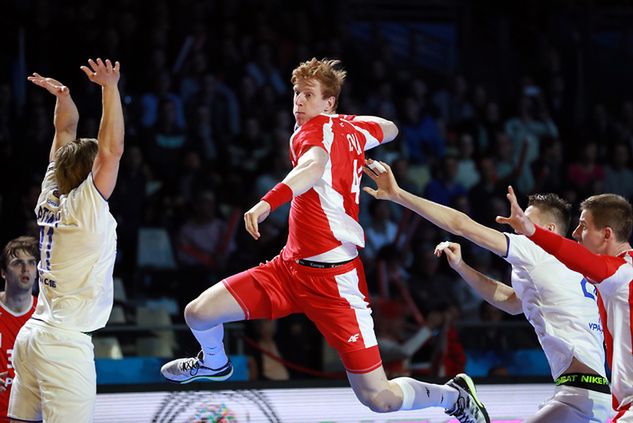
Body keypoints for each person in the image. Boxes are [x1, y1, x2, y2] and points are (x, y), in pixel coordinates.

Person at [161, 58, 490, 423]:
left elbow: (313, 166)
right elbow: (391, 128)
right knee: (198, 312)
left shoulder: (311, 132)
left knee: (378, 398)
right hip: (288, 270)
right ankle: (215, 362)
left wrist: (268, 202)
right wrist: (352, 129)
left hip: (337, 285)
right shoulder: (350, 128)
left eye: (309, 95)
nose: (299, 102)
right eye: (296, 94)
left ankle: (453, 397)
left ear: (329, 102)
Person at [362, 161, 611, 422]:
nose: (518, 225)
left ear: (548, 230)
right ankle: (459, 398)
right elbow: (512, 302)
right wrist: (461, 266)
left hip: (582, 395)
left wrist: (398, 194)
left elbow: (461, 224)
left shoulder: (537, 249)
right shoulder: (570, 267)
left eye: (525, 220)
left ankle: (459, 399)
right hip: (588, 392)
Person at [8, 58, 124, 422]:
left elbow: (64, 131)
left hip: (32, 336)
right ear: (90, 174)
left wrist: (63, 95)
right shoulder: (86, 205)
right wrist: (110, 88)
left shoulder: (50, 193)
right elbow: (112, 150)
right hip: (63, 342)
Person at [498, 187, 633, 422]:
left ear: (607, 234)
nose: (576, 233)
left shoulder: (620, 273)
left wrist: (531, 231)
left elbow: (573, 255)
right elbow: (513, 302)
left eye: (584, 226)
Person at [0, 236, 38, 421]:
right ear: (3, 272)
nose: (26, 269)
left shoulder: (46, 315)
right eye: (17, 263)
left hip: (31, 417)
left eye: (31, 263)